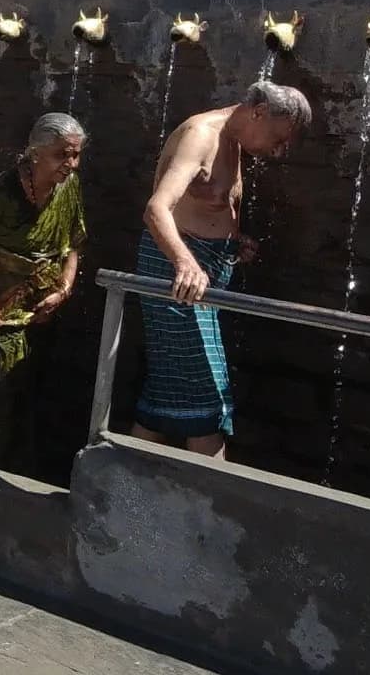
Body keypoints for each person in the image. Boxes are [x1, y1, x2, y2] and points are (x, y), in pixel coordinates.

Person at [135, 80, 311, 458]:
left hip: (202, 280)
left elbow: (208, 208)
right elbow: (157, 209)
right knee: (209, 398)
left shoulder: (234, 140)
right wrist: (186, 261)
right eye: (278, 140)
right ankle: (211, 505)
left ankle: (115, 487)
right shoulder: (201, 135)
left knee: (170, 389)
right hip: (175, 279)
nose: (278, 152)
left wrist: (233, 242)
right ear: (258, 113)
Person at [0, 113, 87, 474]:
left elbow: (74, 244)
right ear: (36, 153)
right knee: (1, 396)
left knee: (33, 393)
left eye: (75, 155)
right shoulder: (1, 192)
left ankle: (24, 471)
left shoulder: (69, 186)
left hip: (44, 310)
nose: (70, 164)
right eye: (62, 155)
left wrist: (65, 289)